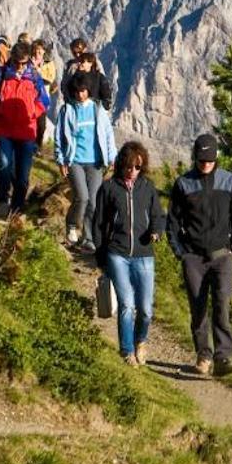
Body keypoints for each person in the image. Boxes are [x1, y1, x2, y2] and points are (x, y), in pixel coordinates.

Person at [167, 133, 232, 376]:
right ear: (195, 158)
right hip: (193, 257)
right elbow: (172, 221)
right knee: (198, 307)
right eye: (201, 160)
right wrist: (181, 252)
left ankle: (223, 356)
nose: (205, 165)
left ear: (216, 158)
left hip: (222, 255)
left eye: (210, 160)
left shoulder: (230, 182)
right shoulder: (183, 184)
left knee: (221, 304)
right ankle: (203, 355)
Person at [90, 141, 162, 364]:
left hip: (143, 253)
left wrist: (156, 231)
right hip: (117, 253)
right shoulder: (109, 188)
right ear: (122, 164)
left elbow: (159, 215)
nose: (133, 171)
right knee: (127, 305)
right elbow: (98, 223)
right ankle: (127, 351)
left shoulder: (148, 188)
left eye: (138, 167)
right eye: (129, 166)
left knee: (146, 309)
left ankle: (141, 340)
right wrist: (101, 256)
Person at [0, 43, 51, 218]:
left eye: (23, 62)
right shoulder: (2, 74)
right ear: (11, 58)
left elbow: (44, 101)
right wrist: (0, 111)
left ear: (28, 59)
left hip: (26, 131)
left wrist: (31, 113)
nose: (19, 66)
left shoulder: (34, 76)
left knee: (23, 172)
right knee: (4, 164)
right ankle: (3, 199)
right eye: (16, 62)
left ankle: (18, 205)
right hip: (4, 129)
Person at [54, 74, 116, 247]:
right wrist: (61, 160)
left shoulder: (97, 109)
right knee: (82, 197)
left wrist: (112, 157)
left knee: (94, 201)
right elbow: (59, 136)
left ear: (88, 90)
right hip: (74, 160)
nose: (80, 94)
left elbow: (108, 134)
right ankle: (72, 225)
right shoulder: (67, 110)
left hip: (95, 162)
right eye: (77, 91)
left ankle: (88, 237)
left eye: (83, 91)